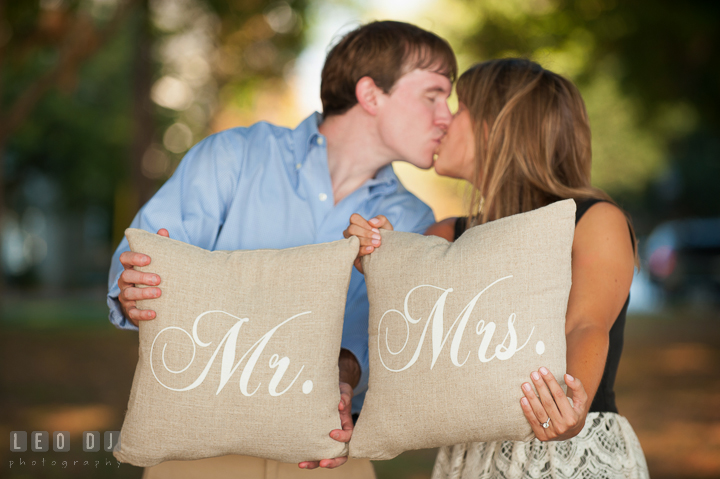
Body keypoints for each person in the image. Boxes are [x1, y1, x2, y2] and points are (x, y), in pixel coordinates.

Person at [106, 21, 457, 478]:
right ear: (371, 94)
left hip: (329, 455)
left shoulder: (413, 220)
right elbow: (144, 257)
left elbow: (391, 347)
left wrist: (346, 373)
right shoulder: (233, 156)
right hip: (199, 449)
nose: (447, 116)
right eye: (433, 95)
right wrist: (136, 288)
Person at [344, 58, 650, 478]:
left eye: (459, 107)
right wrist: (381, 258)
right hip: (471, 458)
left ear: (495, 125)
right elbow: (416, 346)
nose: (443, 119)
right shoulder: (447, 234)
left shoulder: (594, 218)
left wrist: (569, 411)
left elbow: (585, 324)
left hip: (569, 453)